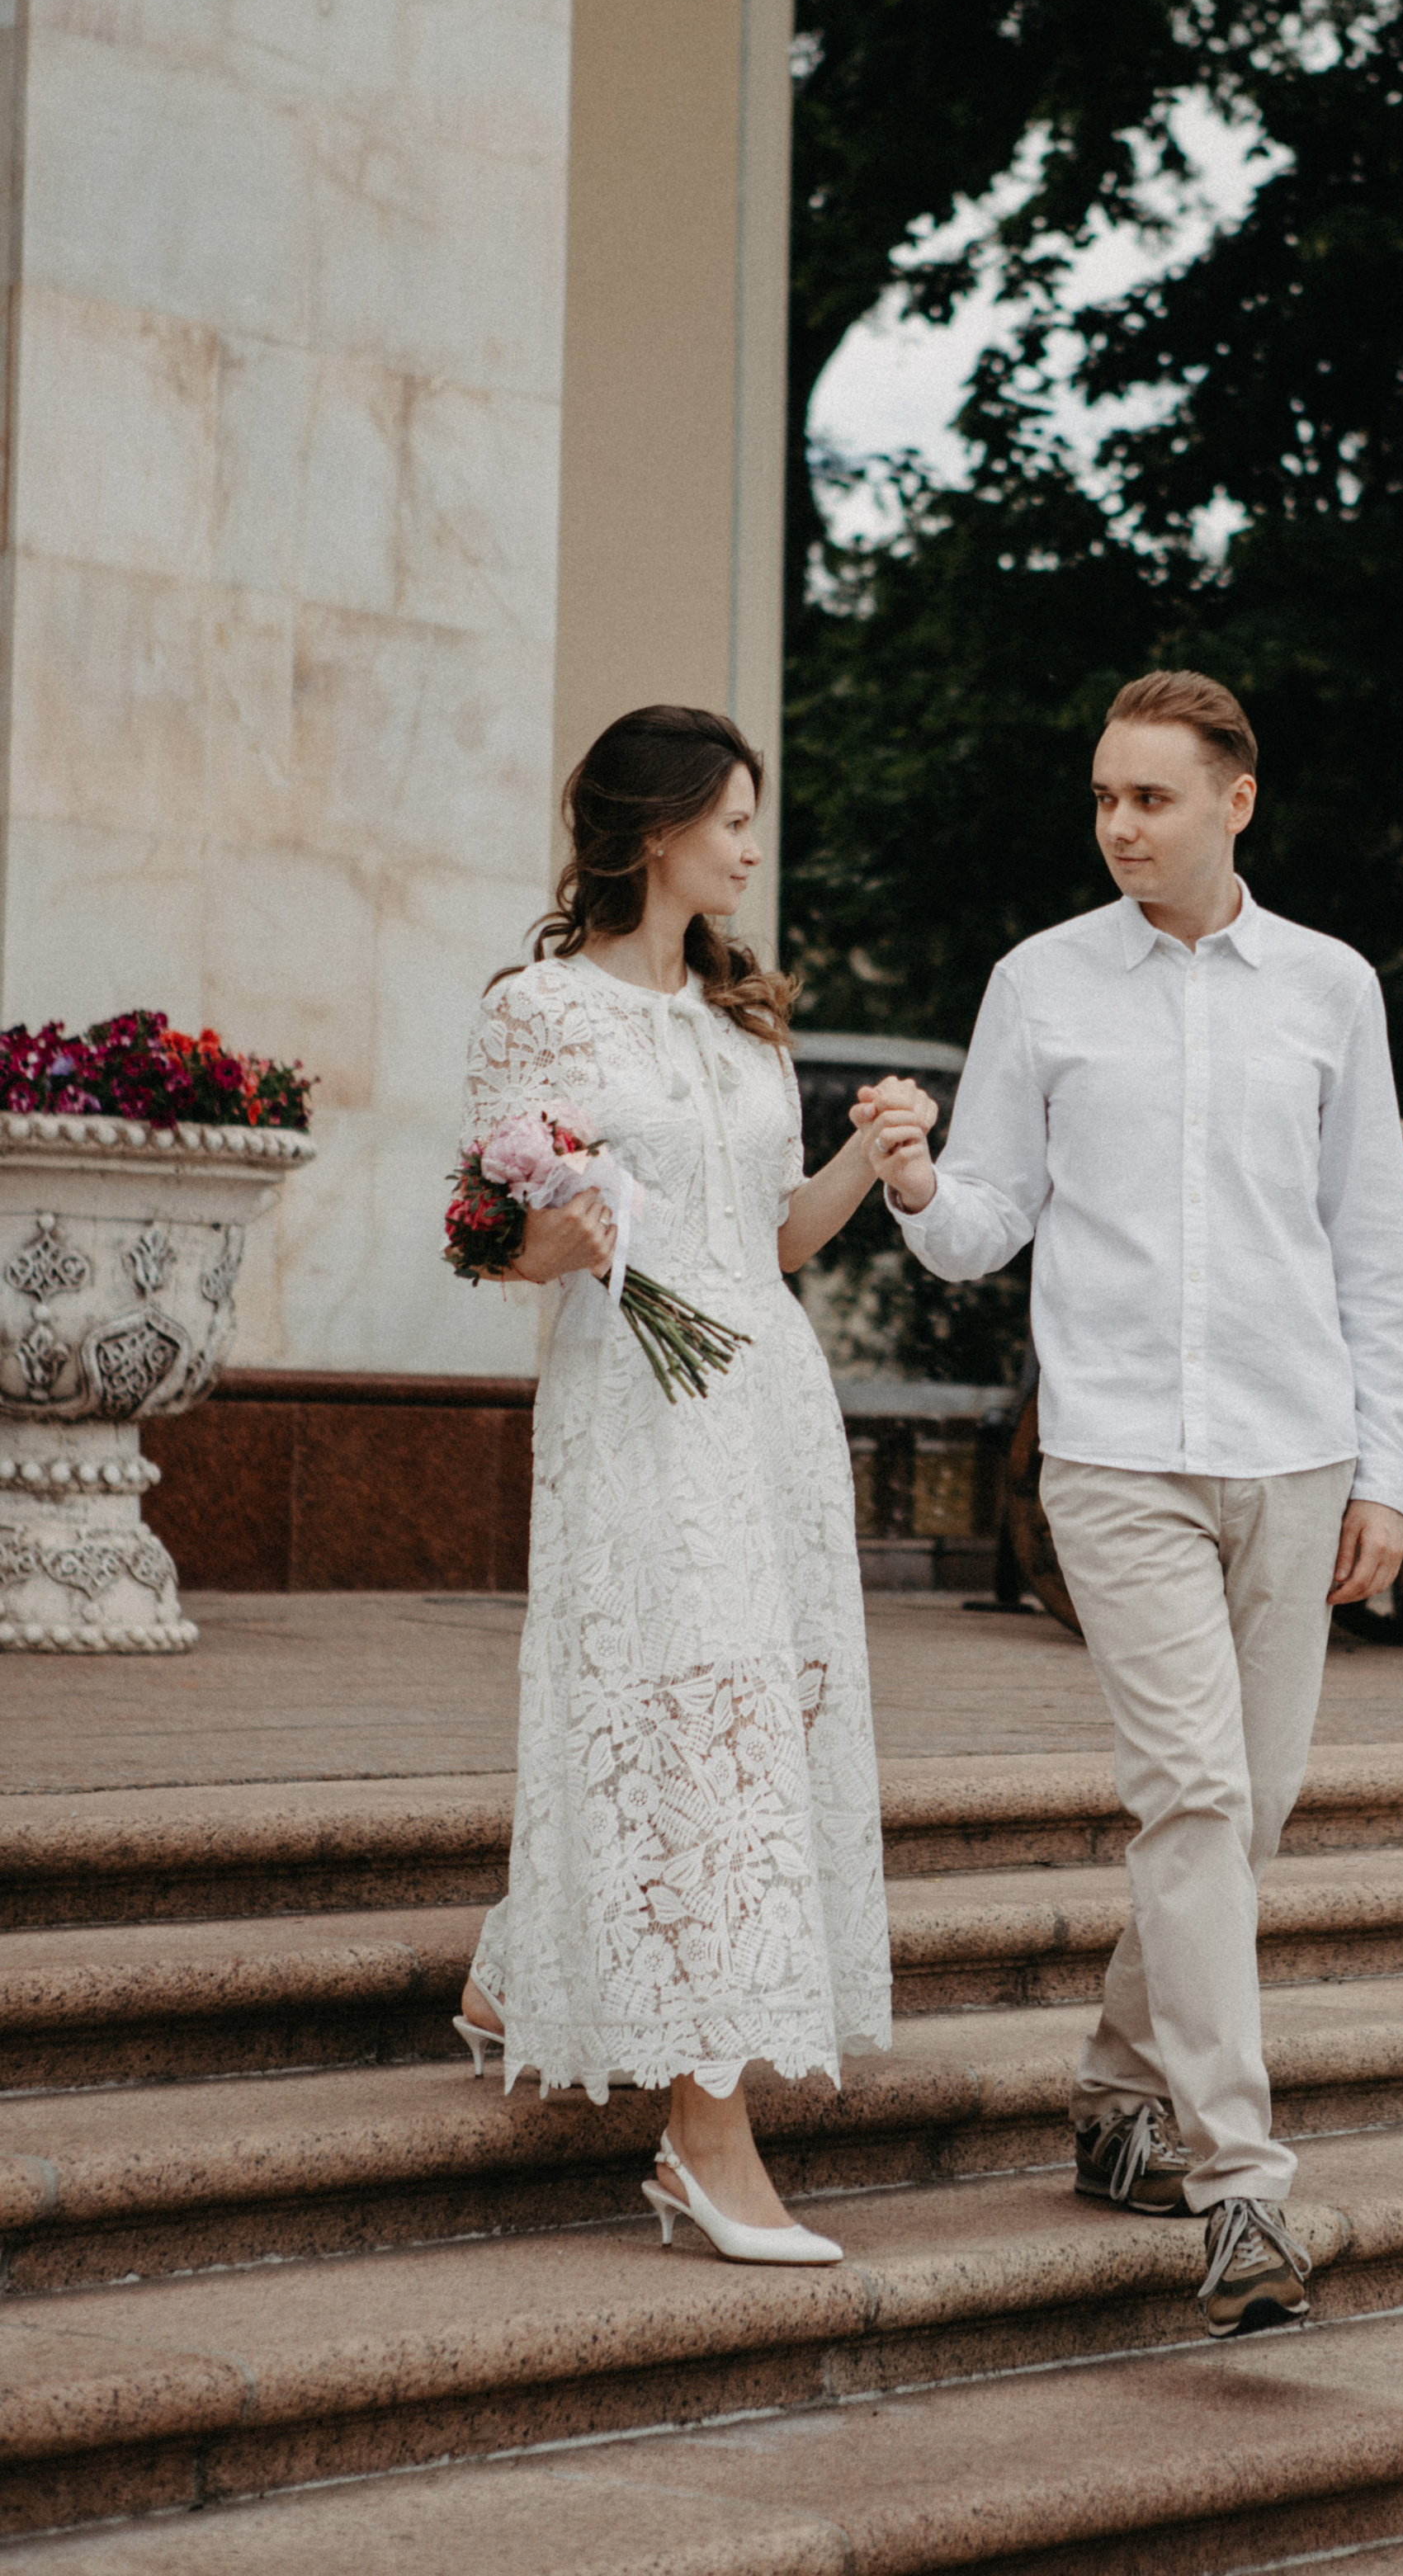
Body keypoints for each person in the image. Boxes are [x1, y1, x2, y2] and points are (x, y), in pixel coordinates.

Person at [862, 670, 1403, 2336]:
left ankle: (1117, 2078)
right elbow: (983, 1225)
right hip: (1113, 1456)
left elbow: (1368, 1250)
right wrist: (911, 1185)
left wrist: (1383, 1472)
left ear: (1233, 800)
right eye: (1103, 798)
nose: (1118, 826)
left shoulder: (1328, 987)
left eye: (1150, 798)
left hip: (1294, 1448)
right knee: (1186, 1797)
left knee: (1241, 1817)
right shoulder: (1039, 985)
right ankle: (1237, 2186)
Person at [454, 704, 934, 2264]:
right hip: (637, 1406)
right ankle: (705, 2143)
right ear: (657, 831)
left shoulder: (747, 1031)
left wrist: (867, 1154)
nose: (751, 844)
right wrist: (563, 1230)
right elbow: (489, 1237)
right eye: (734, 818)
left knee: (749, 1716)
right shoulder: (536, 1012)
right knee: (687, 1727)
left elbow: (774, 1239)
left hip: (769, 1405)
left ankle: (523, 1957)